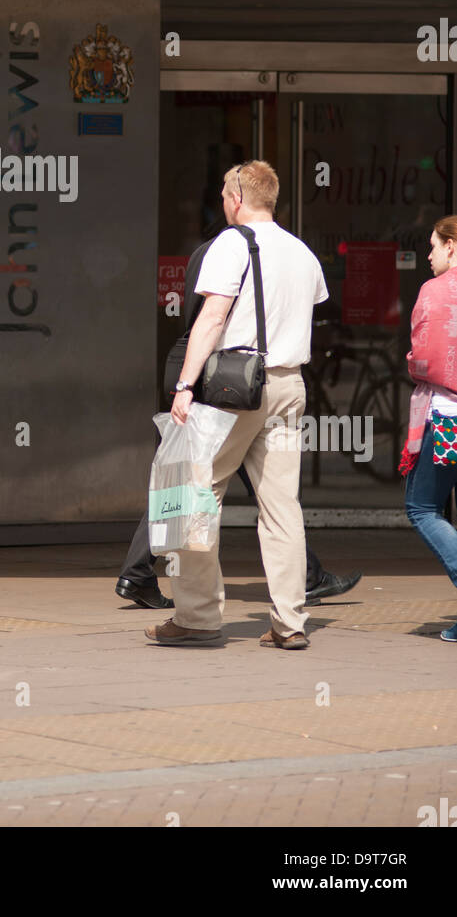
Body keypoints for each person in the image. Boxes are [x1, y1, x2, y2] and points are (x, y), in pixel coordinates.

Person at [116, 232, 361, 610]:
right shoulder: (242, 253)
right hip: (226, 379)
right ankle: (293, 584)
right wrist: (189, 384)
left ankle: (140, 574)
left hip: (205, 372)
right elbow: (215, 319)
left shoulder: (207, 251)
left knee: (192, 479)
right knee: (216, 486)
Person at [144, 160, 327, 650]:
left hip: (236, 387)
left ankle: (198, 615)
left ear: (238, 198)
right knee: (282, 506)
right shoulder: (302, 251)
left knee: (196, 490)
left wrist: (184, 384)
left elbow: (212, 318)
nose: (223, 203)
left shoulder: (232, 243)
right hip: (289, 384)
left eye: (225, 195)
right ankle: (289, 622)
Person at [401, 215, 457, 641]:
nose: (428, 254)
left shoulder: (434, 292)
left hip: (446, 418)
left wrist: (411, 362)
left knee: (422, 507)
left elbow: (423, 359)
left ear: (451, 246)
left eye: (434, 245)